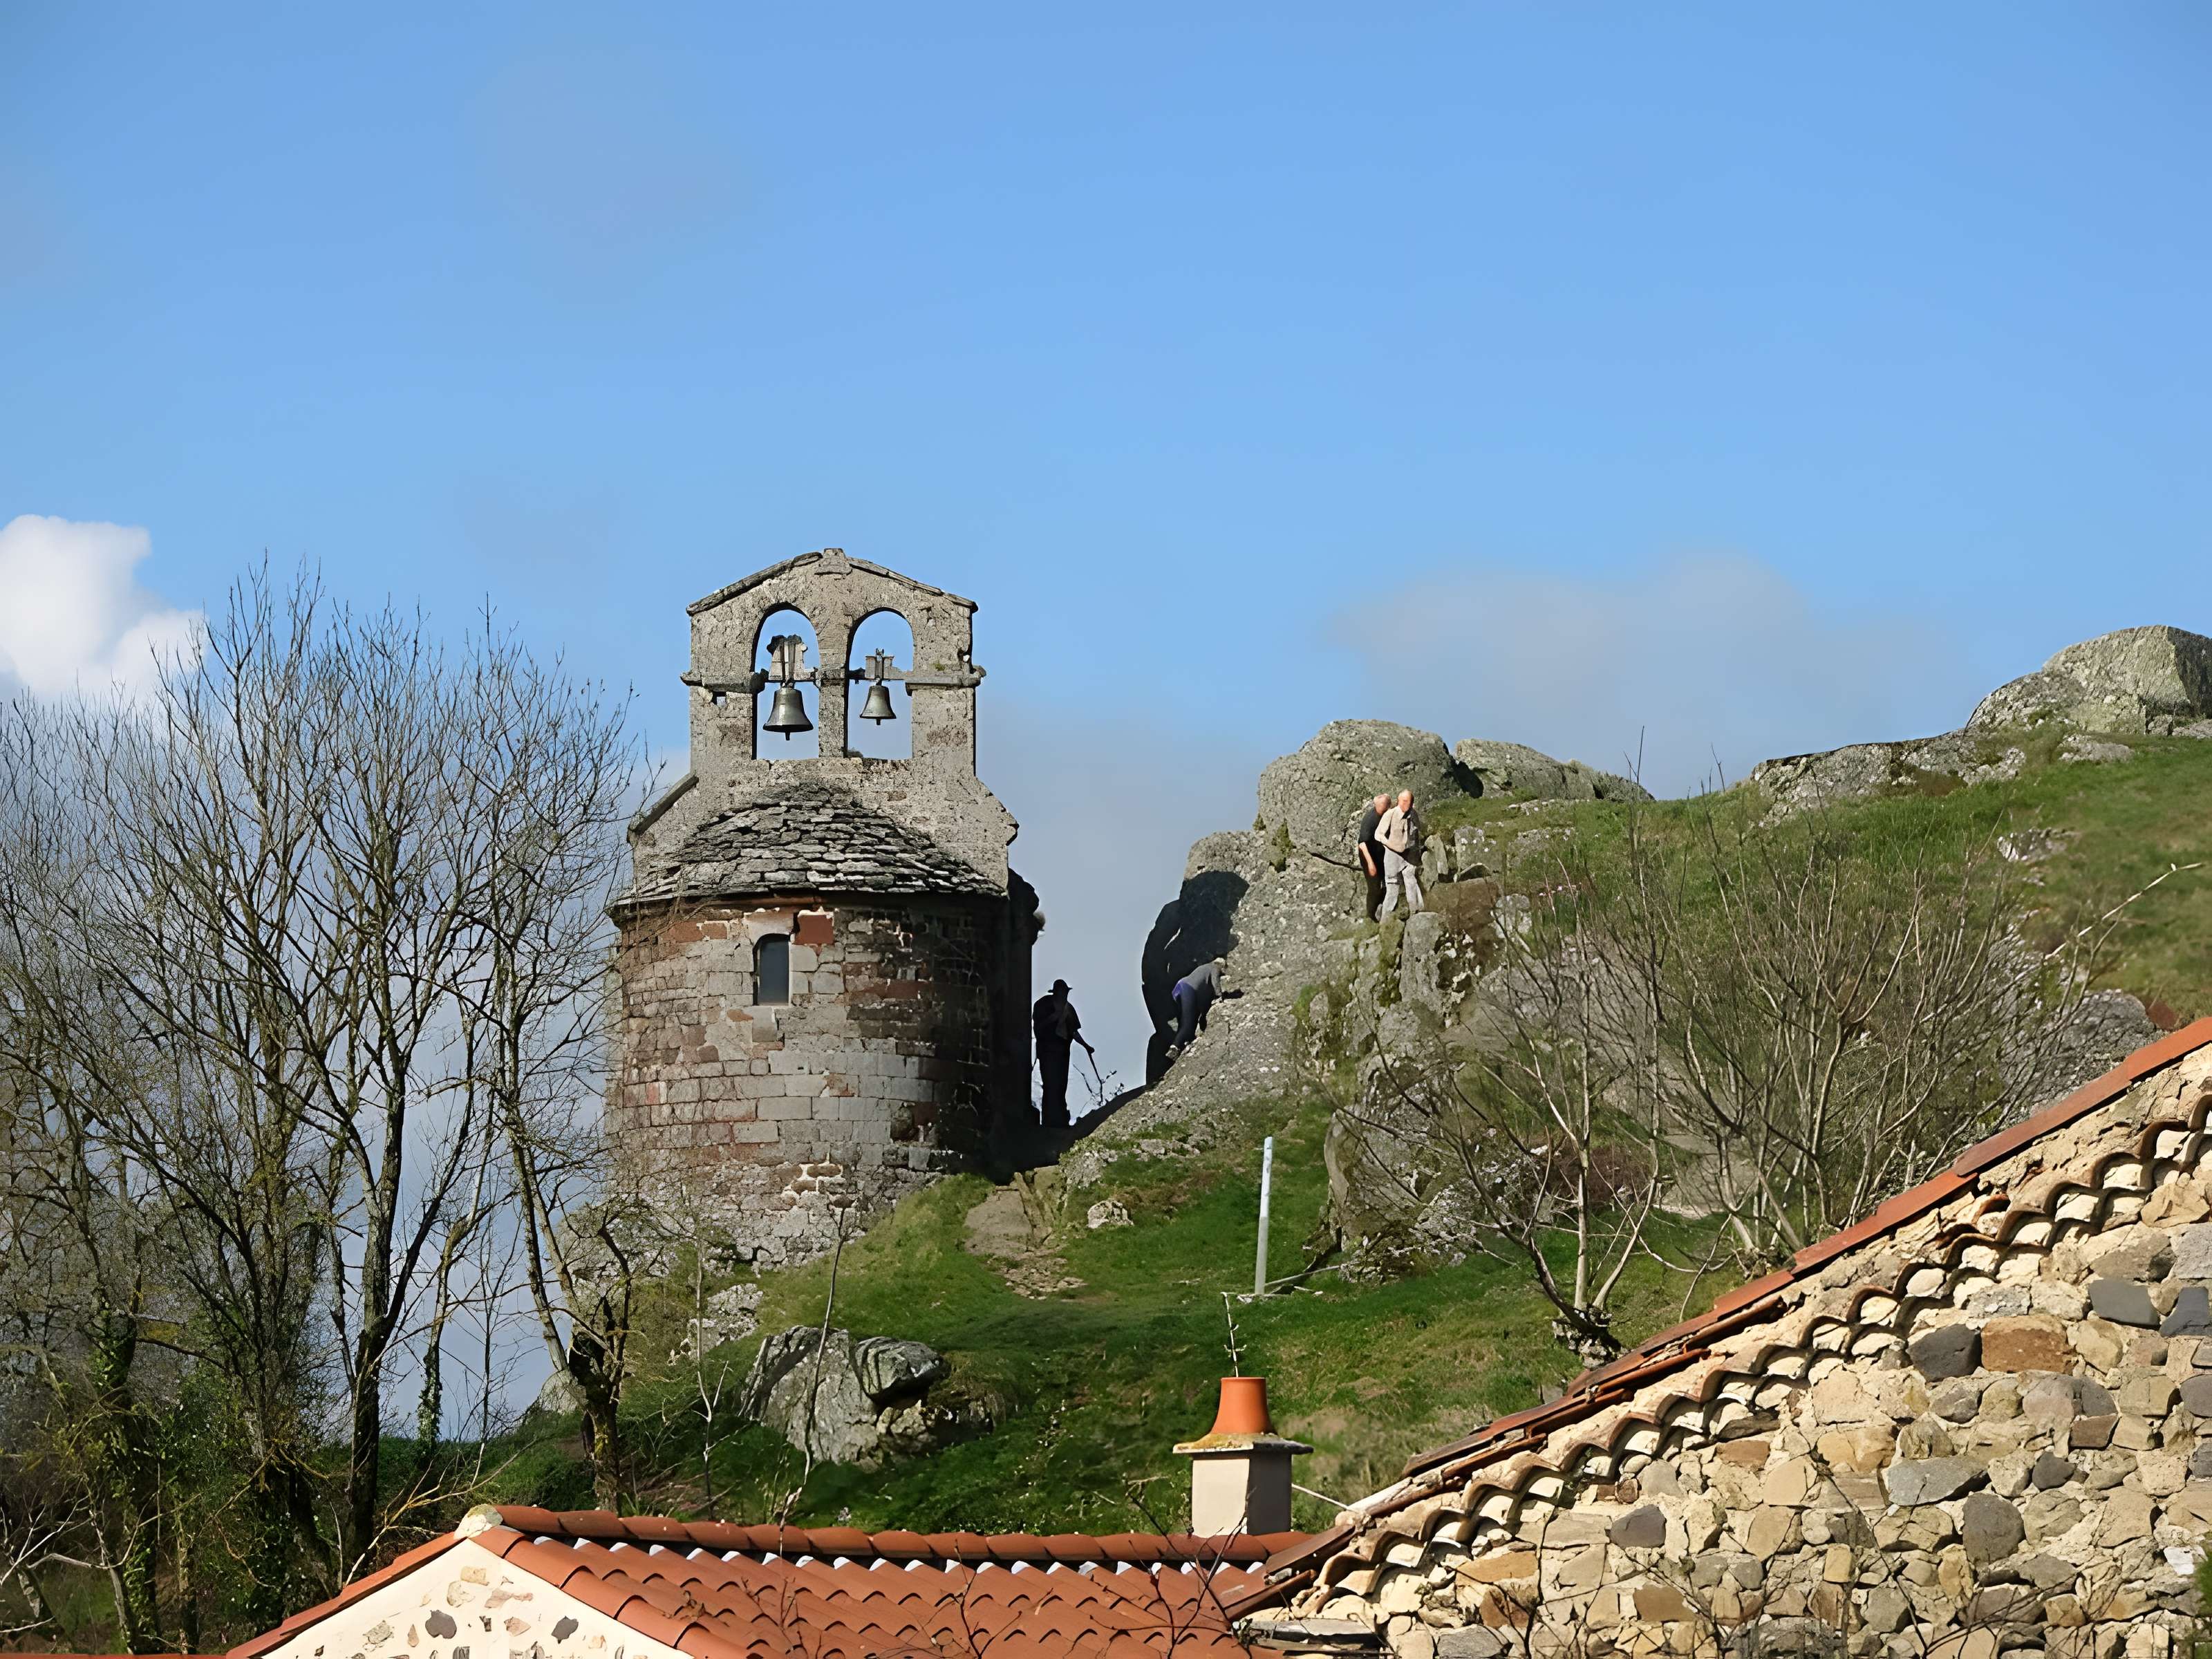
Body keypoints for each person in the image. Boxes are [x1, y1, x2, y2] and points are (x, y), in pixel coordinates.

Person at [1031, 978, 1095, 1131]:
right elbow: (1038, 1028)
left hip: (1062, 1053)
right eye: (1062, 992)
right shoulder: (1042, 1005)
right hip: (1047, 1051)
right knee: (1049, 1084)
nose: (1064, 995)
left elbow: (1073, 1032)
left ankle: (1060, 1120)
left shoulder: (1069, 1009)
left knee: (1061, 1085)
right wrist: (1052, 1018)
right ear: (1056, 993)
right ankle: (1048, 1120)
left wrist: (1086, 1046)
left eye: (1066, 992)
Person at [1166, 957, 1228, 1059]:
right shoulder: (1214, 967)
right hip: (1187, 988)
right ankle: (1174, 1048)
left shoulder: (1204, 968)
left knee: (1187, 1019)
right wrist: (1219, 996)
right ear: (1221, 965)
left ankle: (1185, 1041)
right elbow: (1215, 982)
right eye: (1224, 969)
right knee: (1188, 1022)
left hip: (1179, 988)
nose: (1222, 972)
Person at [1376, 789, 1424, 918]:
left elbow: (1417, 833)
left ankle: (1417, 913)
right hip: (1393, 856)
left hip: (1409, 855)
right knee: (1392, 887)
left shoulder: (1414, 814)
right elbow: (1378, 834)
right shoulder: (1390, 814)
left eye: (1409, 802)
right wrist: (1390, 845)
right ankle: (1386, 920)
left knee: (1411, 881)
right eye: (1404, 801)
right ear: (1398, 801)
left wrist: (1416, 852)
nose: (1406, 805)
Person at [1355, 791, 1389, 921]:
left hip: (1379, 852)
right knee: (1374, 886)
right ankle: (1371, 915)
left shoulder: (1385, 813)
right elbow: (1362, 844)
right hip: (1368, 855)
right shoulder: (1370, 820)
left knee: (1386, 880)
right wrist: (1370, 864)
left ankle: (1383, 905)